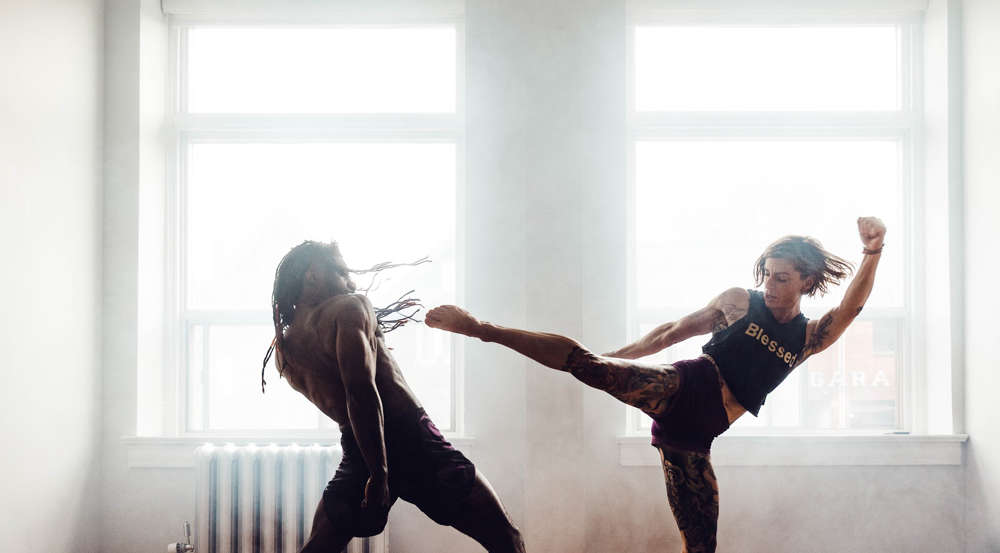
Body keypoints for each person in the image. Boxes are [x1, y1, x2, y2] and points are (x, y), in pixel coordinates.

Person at [425, 217, 886, 553]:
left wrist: (872, 252)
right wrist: (609, 361)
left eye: (782, 278)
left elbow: (851, 308)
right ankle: (480, 327)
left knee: (701, 548)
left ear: (806, 280)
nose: (769, 285)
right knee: (585, 363)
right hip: (682, 388)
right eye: (766, 274)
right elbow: (667, 335)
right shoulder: (738, 302)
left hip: (692, 439)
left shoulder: (809, 339)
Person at [264, 241, 524, 553]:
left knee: (318, 548)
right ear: (312, 276)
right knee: (507, 538)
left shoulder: (284, 351)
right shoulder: (349, 307)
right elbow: (360, 392)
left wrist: (373, 467)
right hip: (412, 441)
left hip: (361, 447)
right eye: (342, 272)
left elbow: (346, 401)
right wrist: (380, 474)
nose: (352, 282)